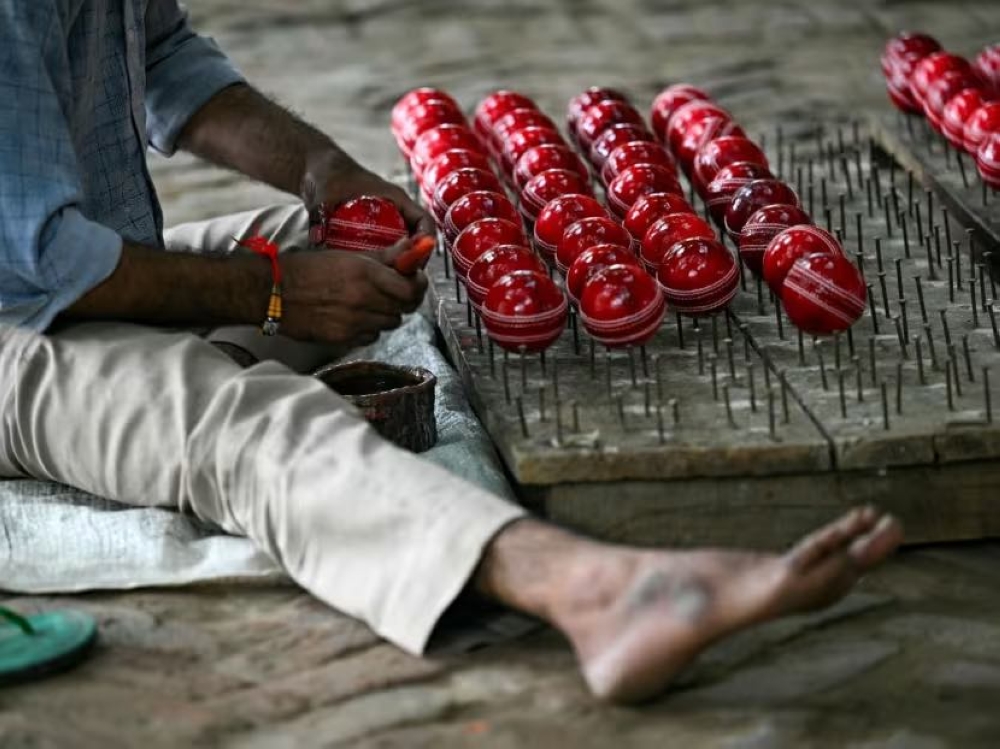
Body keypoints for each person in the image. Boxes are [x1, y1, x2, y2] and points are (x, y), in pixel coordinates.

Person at [0, 0, 903, 703]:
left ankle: (166, 396)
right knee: (247, 423)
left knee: (355, 240)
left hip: (75, 269)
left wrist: (323, 174)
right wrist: (275, 291)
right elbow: (41, 262)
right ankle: (592, 591)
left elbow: (165, 62)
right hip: (21, 315)